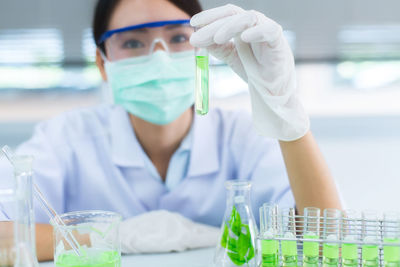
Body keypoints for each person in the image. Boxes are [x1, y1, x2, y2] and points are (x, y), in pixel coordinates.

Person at [0, 0, 342, 261]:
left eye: (179, 38)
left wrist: (288, 117)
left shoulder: (245, 134)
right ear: (103, 63)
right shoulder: (65, 139)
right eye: (133, 43)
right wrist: (113, 236)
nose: (160, 59)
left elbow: (330, 243)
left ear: (203, 50)